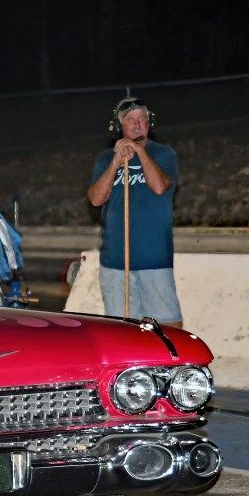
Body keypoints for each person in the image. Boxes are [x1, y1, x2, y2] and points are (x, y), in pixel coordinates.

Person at [85, 96, 181, 327]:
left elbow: (159, 187)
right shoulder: (105, 159)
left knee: (168, 326)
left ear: (149, 124)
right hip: (115, 262)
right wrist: (116, 161)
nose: (138, 124)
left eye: (142, 119)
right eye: (130, 119)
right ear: (119, 126)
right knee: (121, 329)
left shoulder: (164, 154)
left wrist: (139, 150)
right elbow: (96, 199)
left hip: (154, 257)